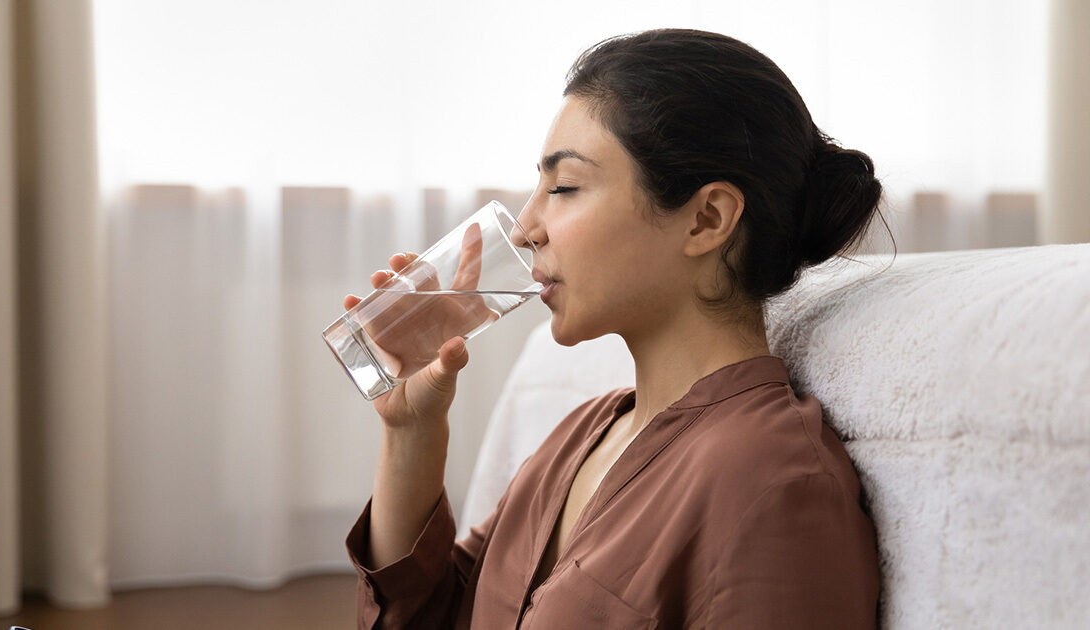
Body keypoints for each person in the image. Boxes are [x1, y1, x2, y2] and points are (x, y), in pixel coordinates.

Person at [341, 28, 889, 629]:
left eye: (565, 187)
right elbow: (436, 616)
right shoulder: (578, 436)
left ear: (706, 219)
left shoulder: (777, 485)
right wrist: (413, 431)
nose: (524, 228)